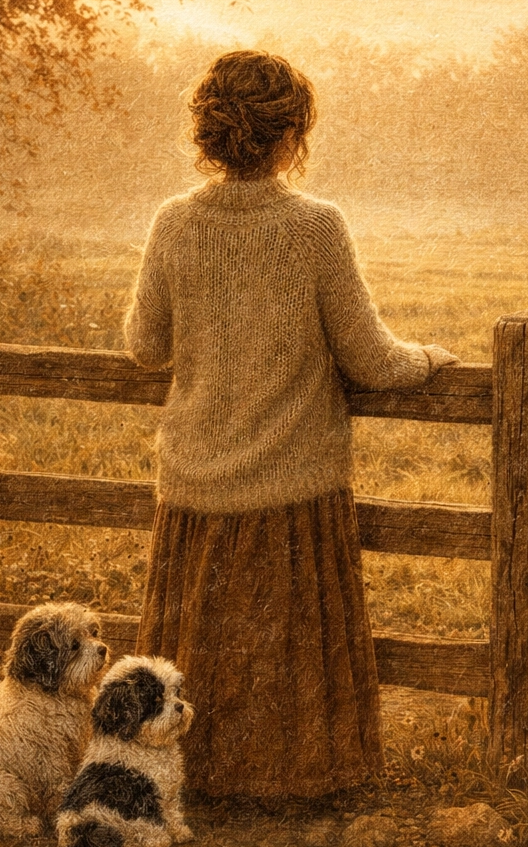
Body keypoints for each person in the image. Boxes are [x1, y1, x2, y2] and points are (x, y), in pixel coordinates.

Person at [124, 49, 457, 800]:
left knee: (203, 636)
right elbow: (371, 359)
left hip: (197, 482)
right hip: (293, 486)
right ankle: (293, 779)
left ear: (208, 133)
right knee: (288, 642)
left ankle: (196, 775)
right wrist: (429, 358)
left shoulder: (174, 223)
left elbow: (145, 347)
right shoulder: (314, 227)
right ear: (291, 135)